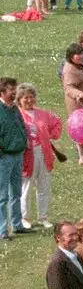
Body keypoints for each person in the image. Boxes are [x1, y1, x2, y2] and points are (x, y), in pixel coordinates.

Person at [18, 85, 59, 226]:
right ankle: (24, 217)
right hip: (26, 155)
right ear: (19, 100)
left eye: (31, 96)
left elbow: (57, 122)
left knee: (44, 186)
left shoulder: (42, 113)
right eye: (25, 97)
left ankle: (43, 217)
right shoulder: (17, 114)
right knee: (26, 187)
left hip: (43, 153)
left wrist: (50, 135)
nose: (29, 100)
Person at [0, 79, 24, 239]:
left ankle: (17, 225)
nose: (15, 92)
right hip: (4, 157)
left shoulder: (15, 108)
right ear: (2, 92)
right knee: (2, 196)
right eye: (11, 90)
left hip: (18, 154)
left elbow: (21, 125)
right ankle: (2, 230)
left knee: (16, 193)